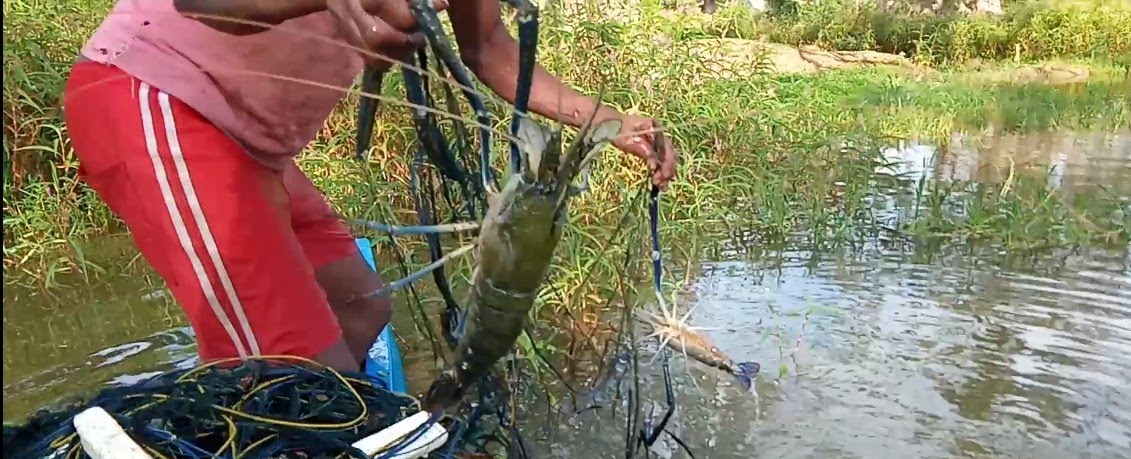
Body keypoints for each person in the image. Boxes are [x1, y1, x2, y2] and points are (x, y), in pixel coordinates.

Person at [63, 0, 678, 375]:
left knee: (362, 308)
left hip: (253, 146)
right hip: (159, 100)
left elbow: (488, 45)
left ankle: (315, 442)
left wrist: (608, 121)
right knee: (298, 373)